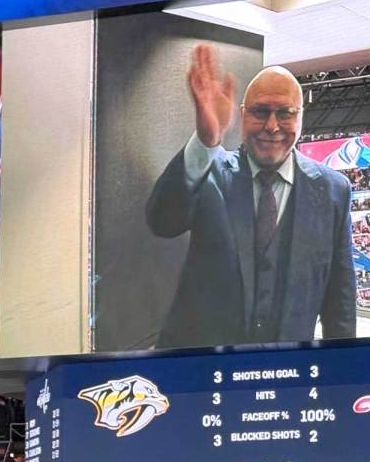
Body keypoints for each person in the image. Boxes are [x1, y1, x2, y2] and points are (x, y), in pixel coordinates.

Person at [146, 44, 356, 348]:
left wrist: (341, 374)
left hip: (286, 374)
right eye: (260, 112)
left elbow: (341, 303)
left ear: (301, 118)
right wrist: (207, 141)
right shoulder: (209, 172)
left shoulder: (334, 190)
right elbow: (162, 221)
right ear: (243, 115)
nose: (272, 126)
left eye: (285, 113)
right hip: (203, 373)